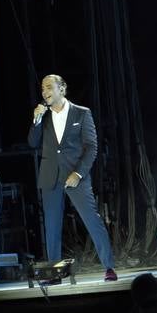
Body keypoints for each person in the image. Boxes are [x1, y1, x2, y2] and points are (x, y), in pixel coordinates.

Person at [28, 75, 117, 282]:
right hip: (50, 176)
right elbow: (33, 143)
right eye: (42, 89)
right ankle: (54, 273)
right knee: (51, 227)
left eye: (49, 87)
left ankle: (109, 267)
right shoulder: (43, 117)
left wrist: (78, 173)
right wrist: (36, 120)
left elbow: (91, 147)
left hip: (75, 175)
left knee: (92, 220)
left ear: (62, 89)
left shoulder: (81, 113)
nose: (44, 92)